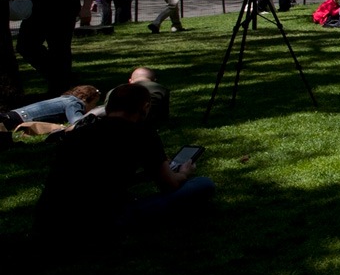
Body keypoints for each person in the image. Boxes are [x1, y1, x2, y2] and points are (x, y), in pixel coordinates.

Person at [33, 82, 213, 240]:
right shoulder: (142, 133)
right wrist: (183, 173)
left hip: (50, 220)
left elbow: (94, 175)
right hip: (100, 221)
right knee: (203, 184)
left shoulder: (78, 133)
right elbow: (169, 185)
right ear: (145, 107)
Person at [3, 85, 103, 137]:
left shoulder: (65, 99)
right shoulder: (75, 103)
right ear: (85, 99)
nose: (94, 106)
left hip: (12, 115)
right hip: (15, 119)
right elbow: (77, 122)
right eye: (94, 103)